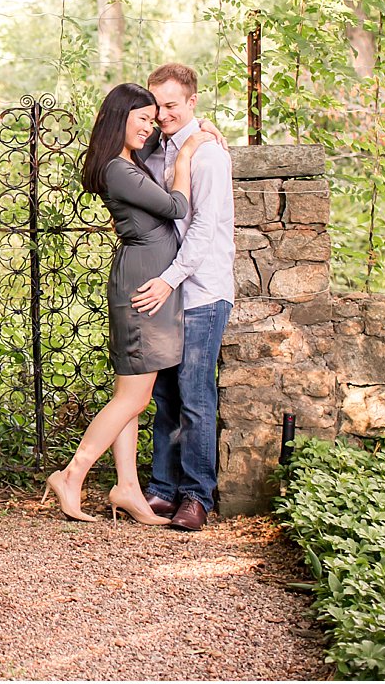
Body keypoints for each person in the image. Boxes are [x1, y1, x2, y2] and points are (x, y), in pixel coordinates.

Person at [41, 82, 210, 524]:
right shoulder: (119, 170)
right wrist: (188, 154)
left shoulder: (126, 160)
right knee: (133, 399)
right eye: (142, 118)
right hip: (142, 286)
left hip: (143, 279)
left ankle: (129, 488)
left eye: (154, 119)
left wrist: (186, 126)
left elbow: (153, 135)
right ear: (122, 119)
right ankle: (72, 475)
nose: (151, 127)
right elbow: (176, 205)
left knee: (132, 394)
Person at [133, 62, 235, 532]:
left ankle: (197, 496)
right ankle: (161, 488)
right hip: (167, 290)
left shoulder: (208, 154)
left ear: (193, 102)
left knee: (195, 396)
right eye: (158, 107)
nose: (164, 114)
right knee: (166, 395)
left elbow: (202, 229)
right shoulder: (158, 150)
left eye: (173, 105)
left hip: (200, 291)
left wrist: (169, 280)